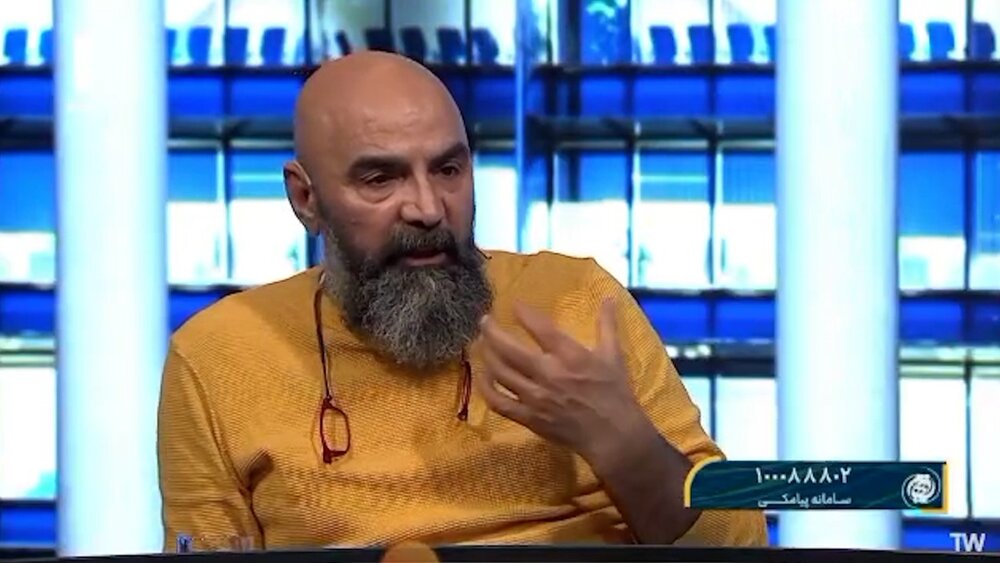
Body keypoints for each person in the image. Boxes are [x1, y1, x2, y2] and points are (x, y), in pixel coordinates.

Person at [157, 51, 768, 551]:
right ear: (305, 199)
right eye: (380, 179)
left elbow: (742, 544)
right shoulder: (217, 356)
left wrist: (624, 444)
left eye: (449, 170)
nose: (428, 209)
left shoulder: (576, 299)